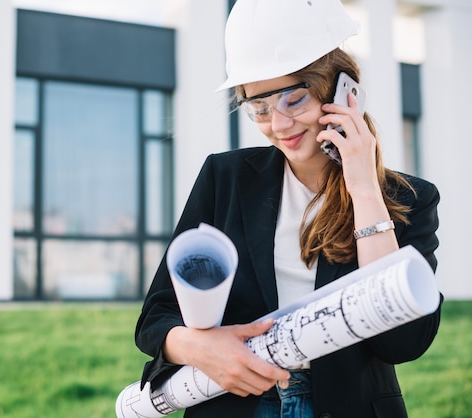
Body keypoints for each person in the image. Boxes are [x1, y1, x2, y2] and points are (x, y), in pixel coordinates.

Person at [133, 0, 442, 417]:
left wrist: (365, 189)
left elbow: (403, 342)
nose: (277, 125)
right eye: (259, 109)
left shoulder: (409, 199)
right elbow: (157, 316)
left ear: (342, 93)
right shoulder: (225, 179)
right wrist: (201, 347)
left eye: (294, 100)